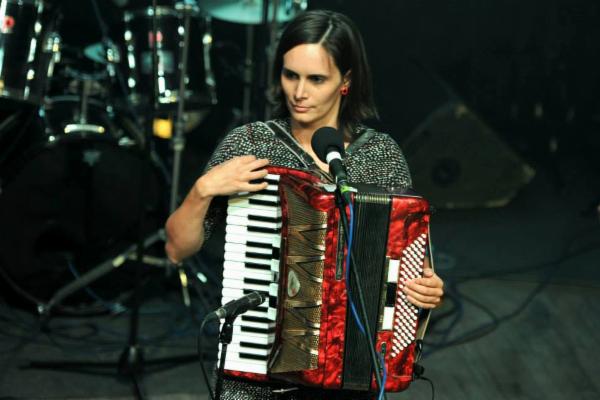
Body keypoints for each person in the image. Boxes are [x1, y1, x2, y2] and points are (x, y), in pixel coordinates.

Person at [165, 9, 444, 400]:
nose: (299, 92)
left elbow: (409, 275)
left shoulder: (381, 156)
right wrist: (202, 190)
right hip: (257, 374)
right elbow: (177, 249)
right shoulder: (250, 144)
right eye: (290, 75)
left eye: (316, 79)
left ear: (346, 81)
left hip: (351, 376)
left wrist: (425, 291)